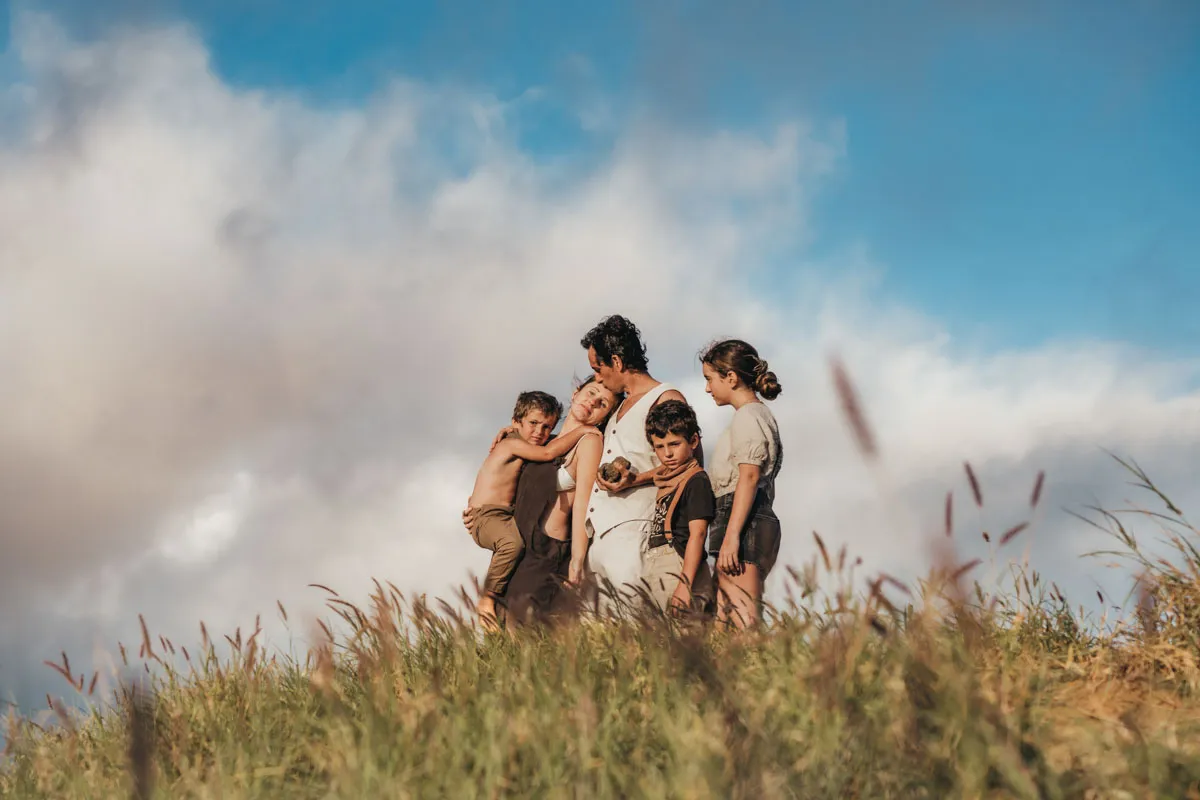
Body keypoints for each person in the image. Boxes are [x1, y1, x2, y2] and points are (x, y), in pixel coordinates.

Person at [580, 315, 696, 611]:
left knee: (635, 630)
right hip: (598, 535)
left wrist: (635, 480)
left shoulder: (665, 397)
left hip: (634, 534)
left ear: (617, 362)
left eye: (598, 368)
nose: (597, 378)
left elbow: (690, 464)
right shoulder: (617, 405)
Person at [465, 390, 598, 629]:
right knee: (511, 545)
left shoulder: (521, 440)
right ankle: (488, 598)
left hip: (502, 515)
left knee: (513, 546)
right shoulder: (512, 444)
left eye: (547, 427)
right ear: (516, 422)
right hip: (488, 515)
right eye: (533, 424)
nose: (540, 432)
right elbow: (548, 452)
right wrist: (583, 431)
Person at [500, 377, 620, 627]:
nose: (592, 402)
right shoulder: (543, 438)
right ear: (576, 393)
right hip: (517, 546)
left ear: (604, 417)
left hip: (546, 551)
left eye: (602, 404)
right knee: (502, 630)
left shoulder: (589, 441)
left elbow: (583, 504)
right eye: (591, 393)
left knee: (524, 629)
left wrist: (577, 560)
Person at [700, 339, 784, 629]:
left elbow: (749, 476)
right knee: (723, 623)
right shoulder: (751, 416)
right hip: (742, 516)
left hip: (743, 519)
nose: (707, 388)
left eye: (710, 379)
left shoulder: (749, 415)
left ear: (731, 378)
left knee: (743, 622)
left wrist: (732, 535)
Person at [641, 399, 716, 615]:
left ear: (693, 441)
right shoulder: (666, 480)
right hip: (656, 566)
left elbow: (698, 534)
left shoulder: (696, 480)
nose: (667, 454)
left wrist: (684, 585)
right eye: (660, 447)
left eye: (674, 444)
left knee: (686, 640)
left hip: (681, 569)